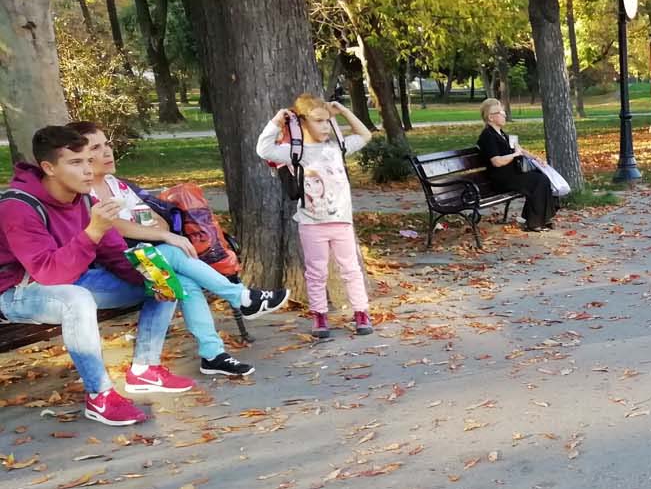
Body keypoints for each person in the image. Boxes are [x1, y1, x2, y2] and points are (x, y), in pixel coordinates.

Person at [0, 126, 196, 426]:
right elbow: (48, 273)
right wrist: (93, 230)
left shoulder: (83, 200)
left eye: (88, 161)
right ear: (49, 168)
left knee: (162, 279)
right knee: (76, 300)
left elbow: (114, 254)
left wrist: (149, 278)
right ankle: (100, 396)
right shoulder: (18, 206)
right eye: (76, 163)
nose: (88, 171)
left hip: (70, 280)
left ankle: (145, 369)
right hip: (17, 291)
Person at [68, 122, 288, 377]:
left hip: (145, 259)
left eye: (106, 144)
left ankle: (212, 354)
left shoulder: (117, 186)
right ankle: (242, 298)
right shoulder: (85, 194)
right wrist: (160, 234)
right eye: (96, 147)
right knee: (173, 252)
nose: (107, 151)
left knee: (184, 282)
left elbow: (156, 219)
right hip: (112, 269)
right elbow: (117, 227)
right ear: (80, 157)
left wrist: (156, 231)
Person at [256, 94, 373, 338]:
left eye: (328, 121)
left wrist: (342, 110)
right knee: (316, 272)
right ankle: (319, 316)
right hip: (312, 224)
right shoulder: (295, 152)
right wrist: (277, 121)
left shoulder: (337, 147)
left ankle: (361, 312)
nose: (325, 126)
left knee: (351, 269)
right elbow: (263, 149)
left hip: (341, 222)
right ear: (303, 122)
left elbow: (365, 135)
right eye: (319, 121)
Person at [475, 98, 558, 231]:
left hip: (512, 174)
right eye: (500, 112)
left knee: (541, 176)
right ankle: (534, 222)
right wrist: (515, 155)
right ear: (491, 117)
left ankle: (538, 219)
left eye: (503, 111)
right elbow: (496, 161)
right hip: (501, 179)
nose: (504, 114)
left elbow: (520, 149)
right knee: (538, 180)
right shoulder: (487, 136)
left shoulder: (501, 134)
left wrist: (536, 158)